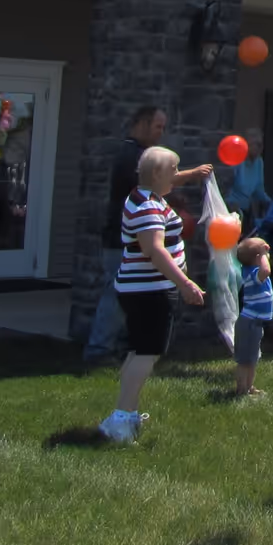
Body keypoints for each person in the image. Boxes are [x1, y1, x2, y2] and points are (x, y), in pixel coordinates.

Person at [84, 107, 210, 364]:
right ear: (141, 123)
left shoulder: (138, 156)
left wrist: (173, 198)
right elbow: (157, 184)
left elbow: (159, 186)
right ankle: (98, 351)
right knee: (115, 297)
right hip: (122, 244)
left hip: (130, 245)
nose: (161, 133)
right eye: (158, 127)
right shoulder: (134, 156)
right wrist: (194, 174)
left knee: (127, 301)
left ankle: (123, 347)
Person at [97, 147, 204, 443]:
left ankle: (126, 414)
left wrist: (192, 175)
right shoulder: (147, 207)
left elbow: (169, 178)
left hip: (144, 289)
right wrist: (185, 284)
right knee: (146, 352)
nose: (176, 174)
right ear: (156, 174)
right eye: (173, 169)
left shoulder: (146, 195)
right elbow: (154, 250)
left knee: (139, 350)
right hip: (149, 291)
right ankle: (120, 419)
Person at [233, 236, 273, 397]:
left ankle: (249, 387)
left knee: (252, 358)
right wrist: (263, 254)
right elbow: (266, 270)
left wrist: (260, 253)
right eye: (264, 251)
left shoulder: (250, 271)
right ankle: (241, 389)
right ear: (258, 258)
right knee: (244, 360)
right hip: (249, 323)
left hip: (255, 323)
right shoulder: (253, 273)